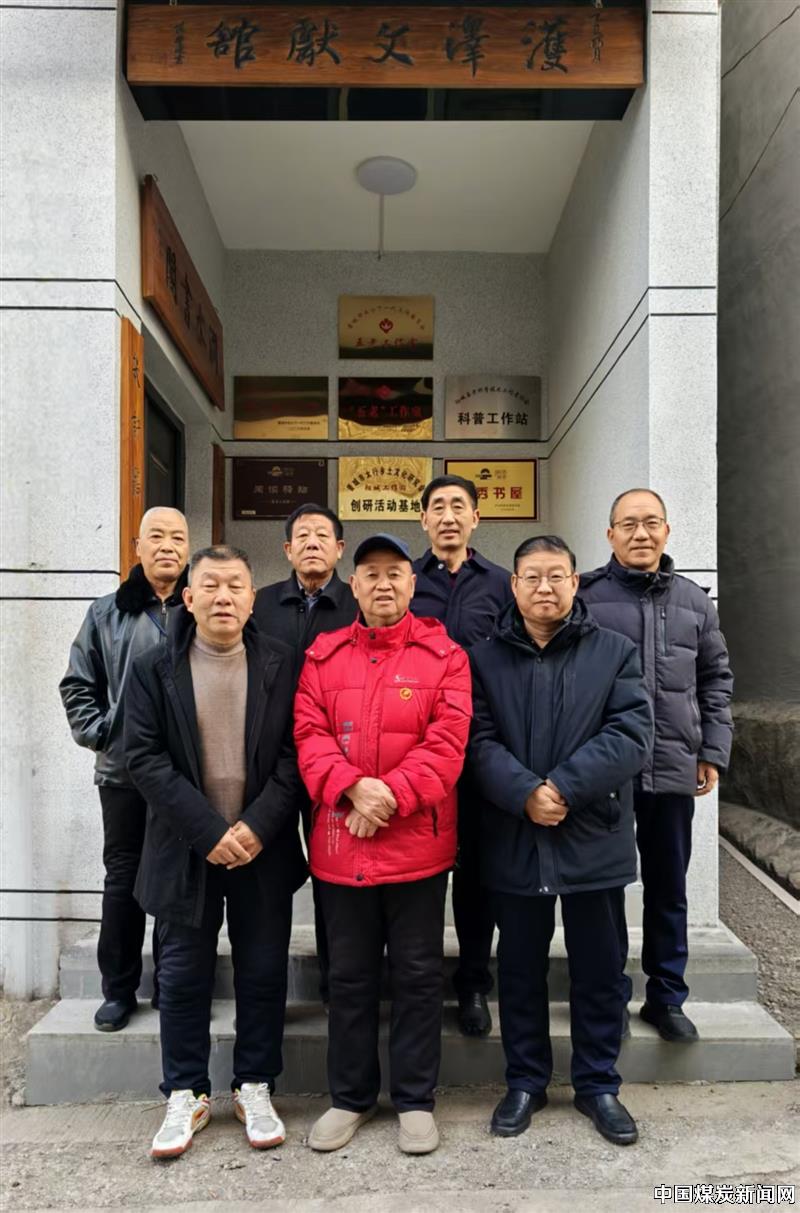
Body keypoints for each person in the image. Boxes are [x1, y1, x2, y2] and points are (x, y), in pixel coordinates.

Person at [124, 545, 307, 1160]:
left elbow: (296, 755)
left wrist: (256, 826)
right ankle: (186, 1091)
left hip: (262, 849)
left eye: (235, 585)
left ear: (253, 598)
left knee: (262, 972)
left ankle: (255, 1084)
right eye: (211, 585)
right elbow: (144, 757)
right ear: (189, 597)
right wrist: (209, 831)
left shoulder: (282, 662)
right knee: (181, 977)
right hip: (185, 849)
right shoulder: (153, 668)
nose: (223, 596)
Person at [469, 536, 653, 1146]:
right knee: (519, 968)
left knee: (599, 969)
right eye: (532, 577)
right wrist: (524, 792)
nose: (544, 588)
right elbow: (475, 740)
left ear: (576, 582)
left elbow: (631, 734)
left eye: (556, 576)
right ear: (514, 585)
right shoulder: (483, 659)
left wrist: (565, 788)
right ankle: (525, 1081)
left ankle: (598, 1084)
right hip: (514, 834)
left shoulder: (615, 651)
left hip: (592, 834)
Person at [294, 534, 471, 1156]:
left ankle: (416, 1100)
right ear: (355, 585)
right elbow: (308, 735)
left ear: (412, 582)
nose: (383, 584)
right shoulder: (322, 656)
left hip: (416, 850)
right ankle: (350, 1097)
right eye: (370, 574)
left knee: (419, 977)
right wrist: (350, 789)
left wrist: (386, 796)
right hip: (342, 847)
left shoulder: (445, 656)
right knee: (348, 978)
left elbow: (448, 743)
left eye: (395, 572)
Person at [579, 489, 733, 1043]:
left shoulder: (695, 601)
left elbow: (715, 680)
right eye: (628, 524)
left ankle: (666, 997)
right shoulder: (586, 597)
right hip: (606, 773)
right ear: (610, 534)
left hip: (672, 767)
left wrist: (712, 749)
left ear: (667, 530)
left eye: (650, 523)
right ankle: (610, 996)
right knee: (606, 890)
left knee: (668, 887)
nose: (640, 534)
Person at [60, 507, 189, 1032]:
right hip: (123, 773)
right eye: (156, 536)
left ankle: (172, 985)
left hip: (184, 774)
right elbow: (77, 685)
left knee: (178, 880)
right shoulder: (107, 612)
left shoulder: (199, 607)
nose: (167, 546)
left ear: (188, 548)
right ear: (138, 546)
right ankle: (118, 989)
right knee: (124, 879)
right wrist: (105, 733)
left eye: (177, 537)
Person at [410, 474, 513, 1038]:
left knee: (476, 871)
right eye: (438, 507)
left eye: (459, 507)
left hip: (481, 745)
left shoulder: (501, 584)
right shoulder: (406, 581)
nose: (448, 516)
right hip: (415, 750)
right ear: (423, 519)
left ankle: (473, 982)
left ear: (476, 518)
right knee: (418, 870)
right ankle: (419, 983)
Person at [253, 503, 357, 1005]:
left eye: (322, 535)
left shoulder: (356, 605)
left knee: (334, 874)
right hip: (271, 763)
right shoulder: (260, 604)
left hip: (335, 762)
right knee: (269, 874)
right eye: (302, 535)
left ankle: (337, 982)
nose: (312, 542)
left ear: (339, 548)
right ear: (287, 549)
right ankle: (267, 991)